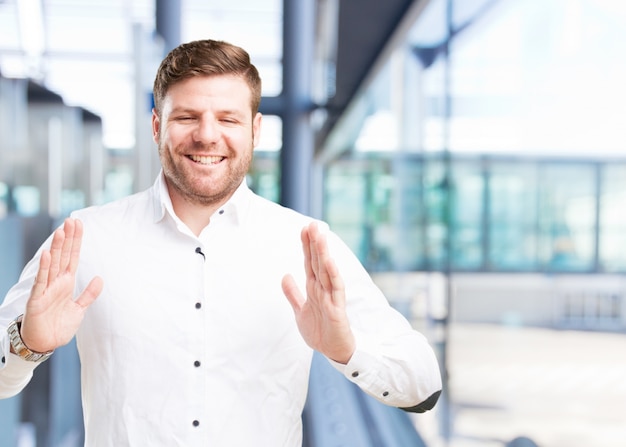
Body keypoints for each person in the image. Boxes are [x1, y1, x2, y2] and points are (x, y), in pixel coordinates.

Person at [0, 39, 441, 446]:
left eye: (227, 119)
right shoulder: (86, 236)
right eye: (187, 117)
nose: (207, 135)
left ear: (255, 129)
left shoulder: (304, 243)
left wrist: (347, 350)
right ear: (157, 126)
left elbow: (423, 385)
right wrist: (27, 342)